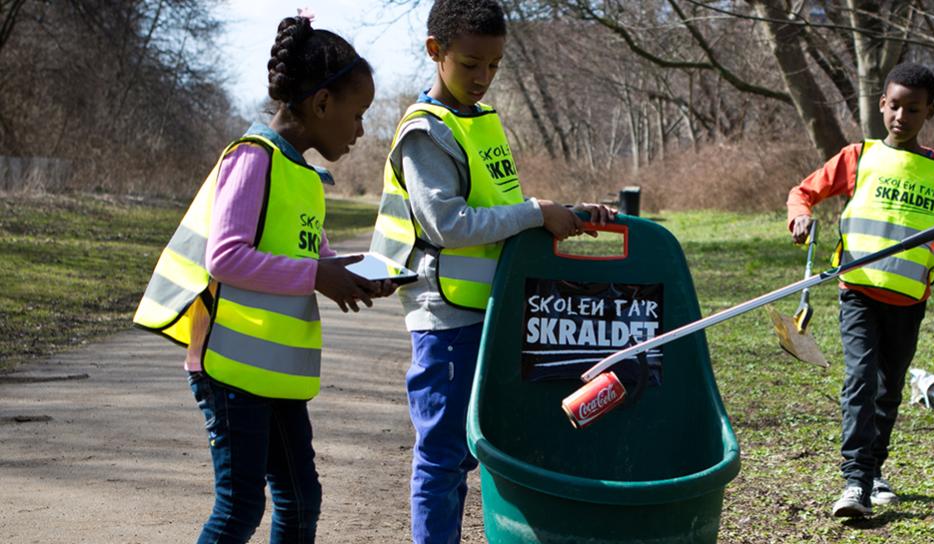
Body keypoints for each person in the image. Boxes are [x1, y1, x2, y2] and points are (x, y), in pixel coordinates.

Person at [131, 11, 390, 543]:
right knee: (240, 507)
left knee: (300, 502)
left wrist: (350, 272)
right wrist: (316, 276)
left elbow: (304, 251)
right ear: (322, 104)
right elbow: (225, 257)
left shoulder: (303, 174)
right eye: (359, 113)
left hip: (272, 371)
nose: (363, 130)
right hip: (228, 369)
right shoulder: (254, 159)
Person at [365, 1, 614, 541]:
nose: (483, 78)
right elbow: (448, 223)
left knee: (472, 452)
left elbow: (497, 211)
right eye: (471, 63)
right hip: (445, 319)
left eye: (495, 66)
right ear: (436, 52)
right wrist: (534, 212)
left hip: (489, 313)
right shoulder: (426, 132)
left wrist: (564, 215)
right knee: (442, 457)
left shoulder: (481, 124)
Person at [786, 62, 934, 518]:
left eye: (913, 109)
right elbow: (802, 193)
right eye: (894, 106)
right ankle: (854, 481)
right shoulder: (858, 157)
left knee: (888, 392)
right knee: (860, 380)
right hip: (858, 293)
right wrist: (801, 216)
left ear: (929, 112)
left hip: (909, 303)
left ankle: (873, 470)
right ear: (882, 105)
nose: (900, 117)